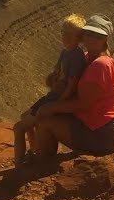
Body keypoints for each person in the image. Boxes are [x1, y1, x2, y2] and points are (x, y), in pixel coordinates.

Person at [30, 14, 114, 159]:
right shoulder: (86, 56)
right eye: (89, 33)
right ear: (83, 36)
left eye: (98, 35)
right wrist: (53, 82)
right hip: (99, 125)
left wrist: (49, 108)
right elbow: (57, 79)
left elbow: (84, 104)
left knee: (45, 120)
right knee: (47, 112)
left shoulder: (101, 64)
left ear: (105, 38)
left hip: (102, 135)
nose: (92, 38)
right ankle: (38, 155)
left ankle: (42, 161)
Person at [13, 13, 89, 166]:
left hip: (55, 100)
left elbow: (72, 85)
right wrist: (53, 83)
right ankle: (34, 151)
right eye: (63, 32)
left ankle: (19, 163)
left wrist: (58, 105)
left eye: (69, 34)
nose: (64, 36)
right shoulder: (65, 52)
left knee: (19, 128)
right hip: (52, 96)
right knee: (23, 117)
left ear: (79, 38)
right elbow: (56, 74)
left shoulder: (76, 56)